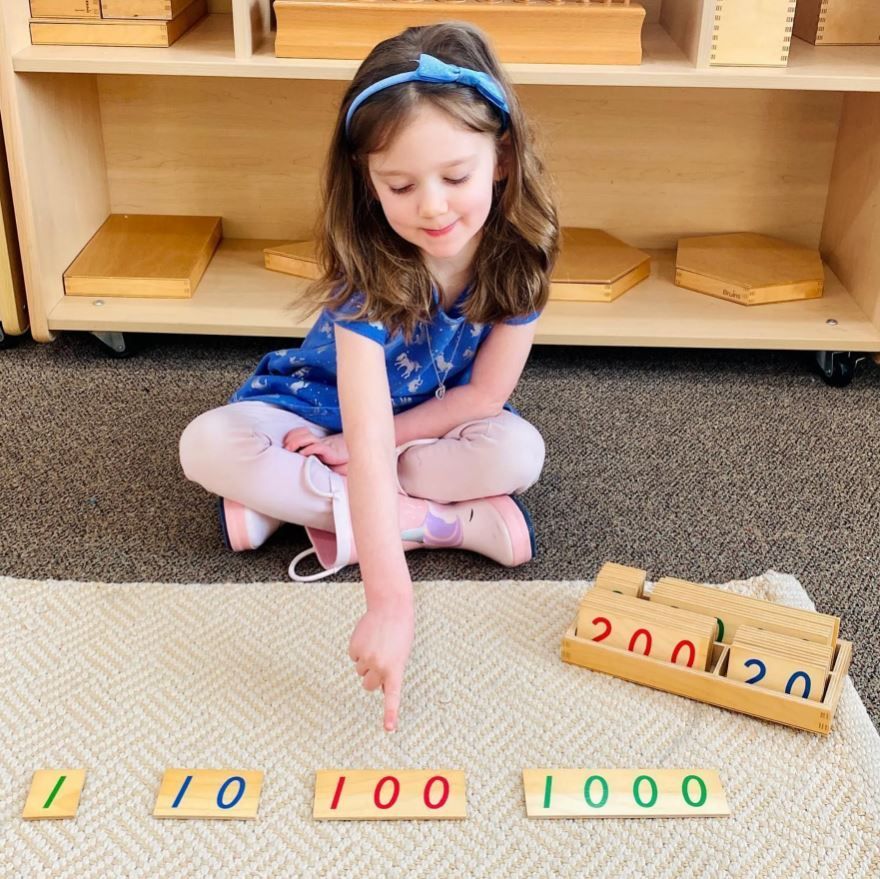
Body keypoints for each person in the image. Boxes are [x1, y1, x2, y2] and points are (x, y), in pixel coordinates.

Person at [179, 21, 559, 732]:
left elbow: (485, 396)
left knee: (519, 452)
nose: (434, 207)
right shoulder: (370, 268)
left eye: (456, 177)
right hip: (305, 413)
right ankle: (435, 525)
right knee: (205, 445)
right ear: (367, 180)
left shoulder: (524, 254)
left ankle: (299, 512)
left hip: (419, 419)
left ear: (502, 157)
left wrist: (374, 451)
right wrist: (390, 600)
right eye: (400, 184)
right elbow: (358, 415)